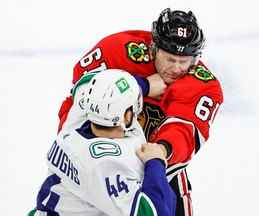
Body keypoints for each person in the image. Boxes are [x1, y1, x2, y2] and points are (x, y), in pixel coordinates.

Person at [58, 8, 224, 216]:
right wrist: (141, 85)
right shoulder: (117, 50)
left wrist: (160, 152)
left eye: (184, 61)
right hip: (95, 157)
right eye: (170, 59)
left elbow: (184, 130)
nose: (176, 68)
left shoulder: (203, 85)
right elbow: (84, 95)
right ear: (153, 48)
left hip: (155, 163)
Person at [29, 70, 176, 216]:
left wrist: (145, 85)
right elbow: (156, 212)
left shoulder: (75, 122)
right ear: (127, 115)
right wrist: (155, 161)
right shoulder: (107, 164)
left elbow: (87, 81)